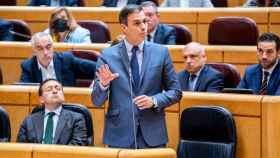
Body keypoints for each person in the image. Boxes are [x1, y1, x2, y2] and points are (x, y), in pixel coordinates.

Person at [91, 5, 182, 149]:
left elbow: (176, 92)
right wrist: (103, 85)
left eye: (145, 21)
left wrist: (154, 100)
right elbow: (96, 101)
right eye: (137, 23)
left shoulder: (161, 53)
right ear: (124, 27)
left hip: (153, 134)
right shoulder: (108, 56)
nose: (144, 27)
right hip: (119, 134)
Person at [17, 78, 88, 145]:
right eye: (49, 89)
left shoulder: (77, 119)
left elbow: (78, 146)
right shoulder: (29, 121)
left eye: (58, 88)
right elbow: (21, 148)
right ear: (41, 99)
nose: (55, 91)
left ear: (63, 96)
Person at [19, 32, 96, 87]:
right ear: (34, 51)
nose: (45, 52)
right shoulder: (28, 66)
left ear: (53, 47)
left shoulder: (66, 60)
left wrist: (95, 86)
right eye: (40, 48)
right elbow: (23, 92)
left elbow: (97, 68)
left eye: (48, 47)